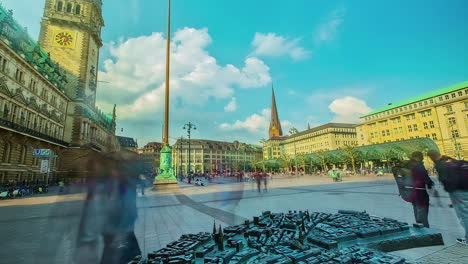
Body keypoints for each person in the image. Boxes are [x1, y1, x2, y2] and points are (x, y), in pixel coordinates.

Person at [428, 150, 468, 245]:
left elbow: (445, 180)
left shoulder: (440, 165)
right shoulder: (450, 160)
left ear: (431, 157)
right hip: (466, 187)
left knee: (464, 215)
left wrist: (450, 189)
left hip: (457, 191)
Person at [408, 151, 434, 228]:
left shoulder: (409, 166)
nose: (423, 158)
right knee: (423, 214)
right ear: (418, 157)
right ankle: (426, 231)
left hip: (413, 193)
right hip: (421, 193)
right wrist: (430, 183)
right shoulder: (419, 166)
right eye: (422, 156)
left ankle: (420, 229)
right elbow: (425, 178)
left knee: (417, 213)